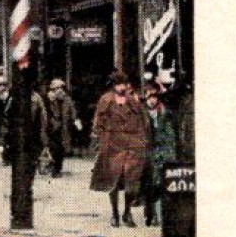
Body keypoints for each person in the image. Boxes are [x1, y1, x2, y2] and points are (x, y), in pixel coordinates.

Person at [90, 73, 149, 227]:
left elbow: (144, 122)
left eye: (124, 83)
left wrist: (141, 141)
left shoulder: (133, 101)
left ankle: (127, 212)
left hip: (132, 145)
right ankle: (115, 213)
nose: (122, 86)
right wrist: (101, 140)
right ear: (114, 85)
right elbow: (98, 123)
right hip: (112, 145)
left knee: (132, 183)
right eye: (119, 83)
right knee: (113, 182)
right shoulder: (105, 100)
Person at [141, 85, 178, 227]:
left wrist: (169, 154)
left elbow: (170, 136)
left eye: (154, 97)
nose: (152, 101)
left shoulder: (164, 113)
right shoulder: (141, 114)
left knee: (160, 185)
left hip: (162, 153)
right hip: (147, 154)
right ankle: (150, 214)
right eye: (150, 98)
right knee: (148, 186)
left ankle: (158, 215)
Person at [44, 77, 81, 177]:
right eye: (57, 88)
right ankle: (54, 168)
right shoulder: (48, 99)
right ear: (53, 89)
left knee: (61, 150)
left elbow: (72, 110)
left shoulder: (67, 99)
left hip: (63, 129)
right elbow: (45, 113)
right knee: (54, 149)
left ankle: (57, 168)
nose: (59, 90)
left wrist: (76, 120)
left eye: (61, 88)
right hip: (51, 128)